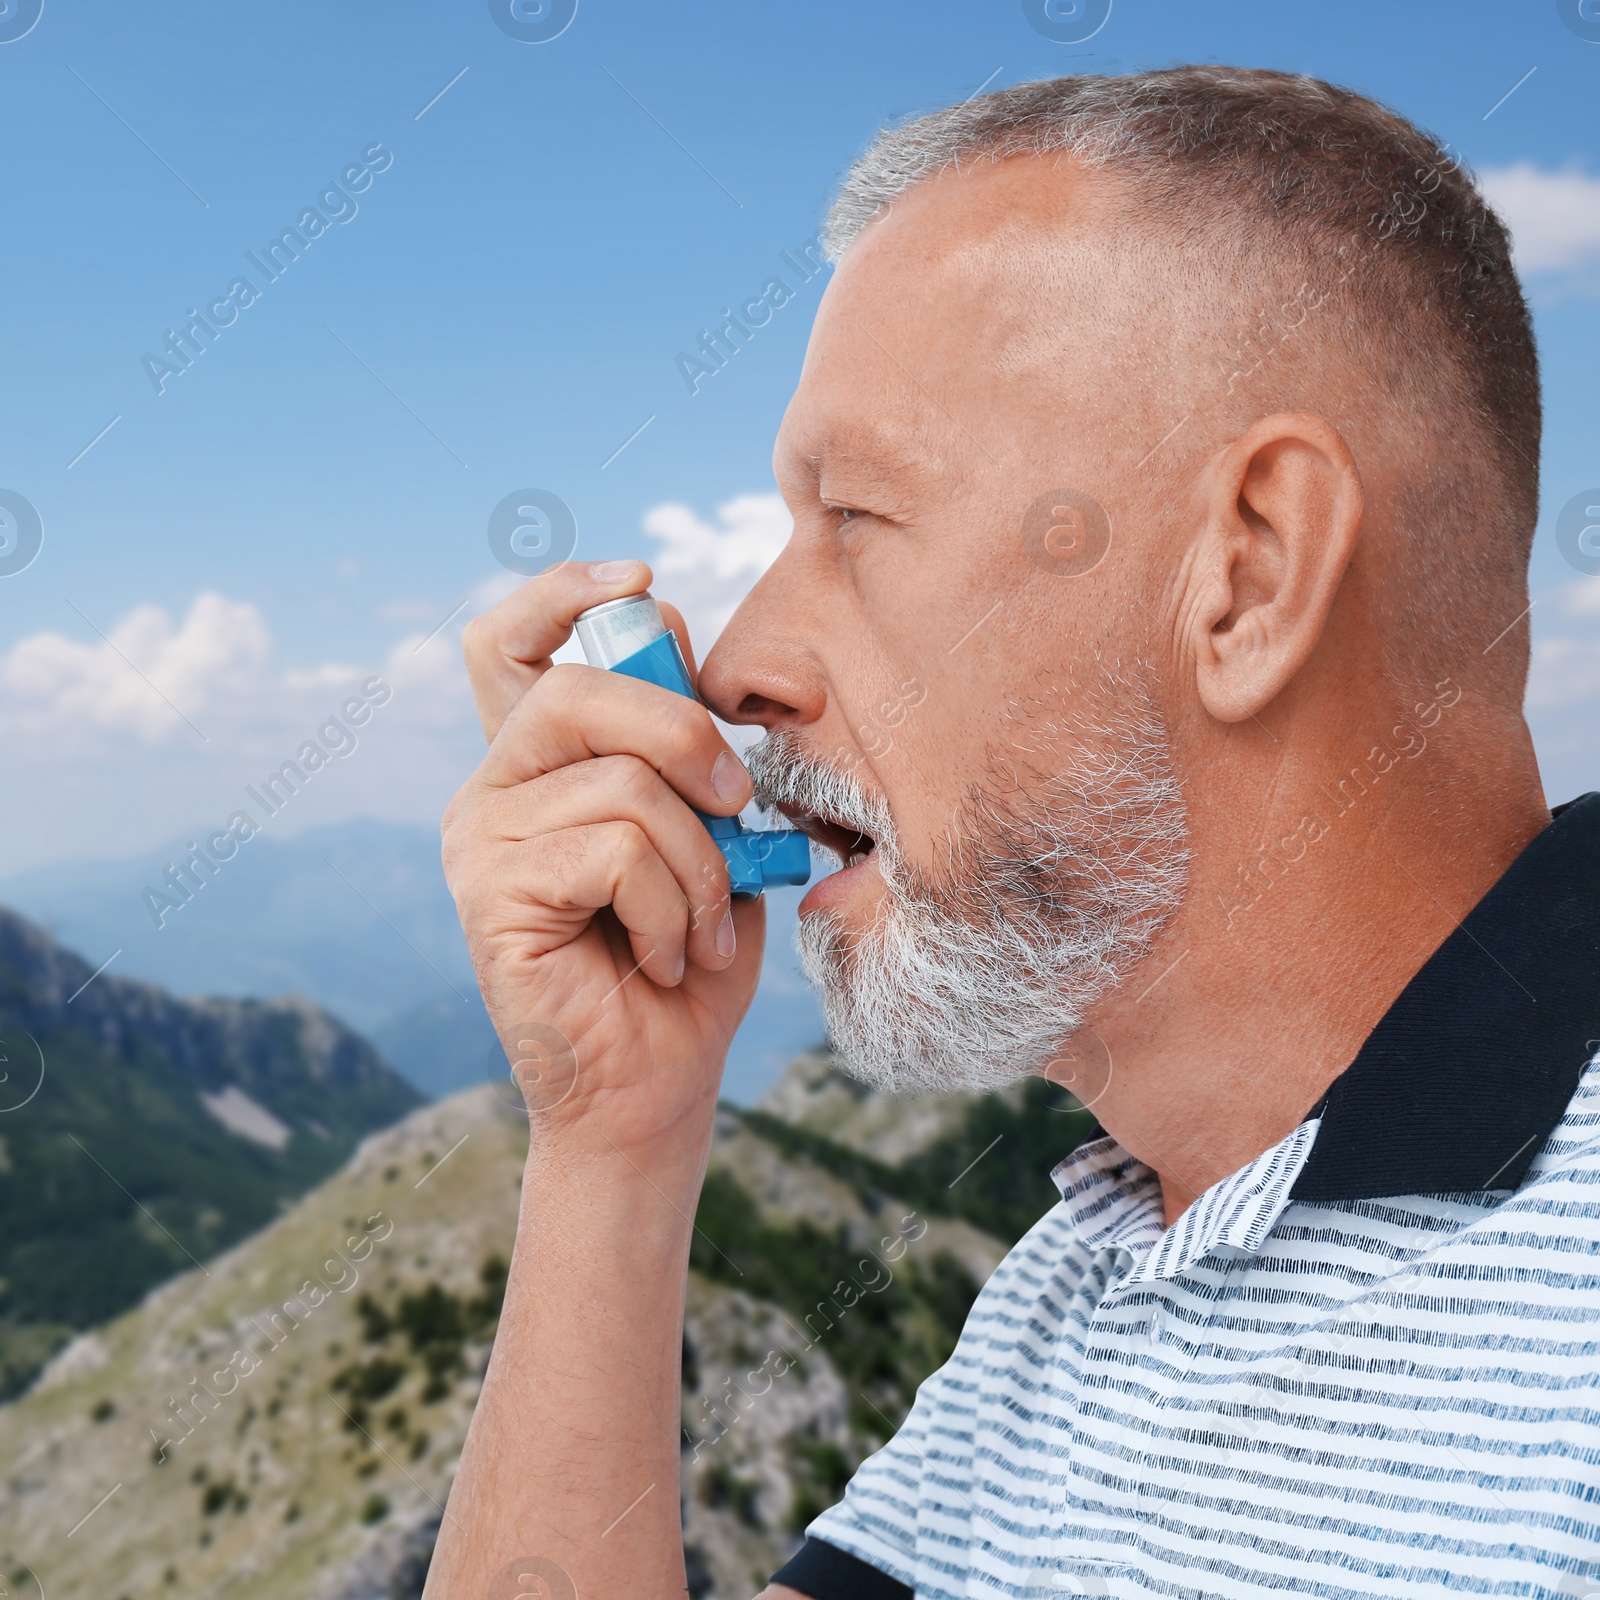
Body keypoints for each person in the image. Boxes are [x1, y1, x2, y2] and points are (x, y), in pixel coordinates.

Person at [426, 66, 1600, 1599]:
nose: (738, 666)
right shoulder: (1087, 1279)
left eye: (854, 518)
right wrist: (610, 1144)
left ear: (1244, 576)